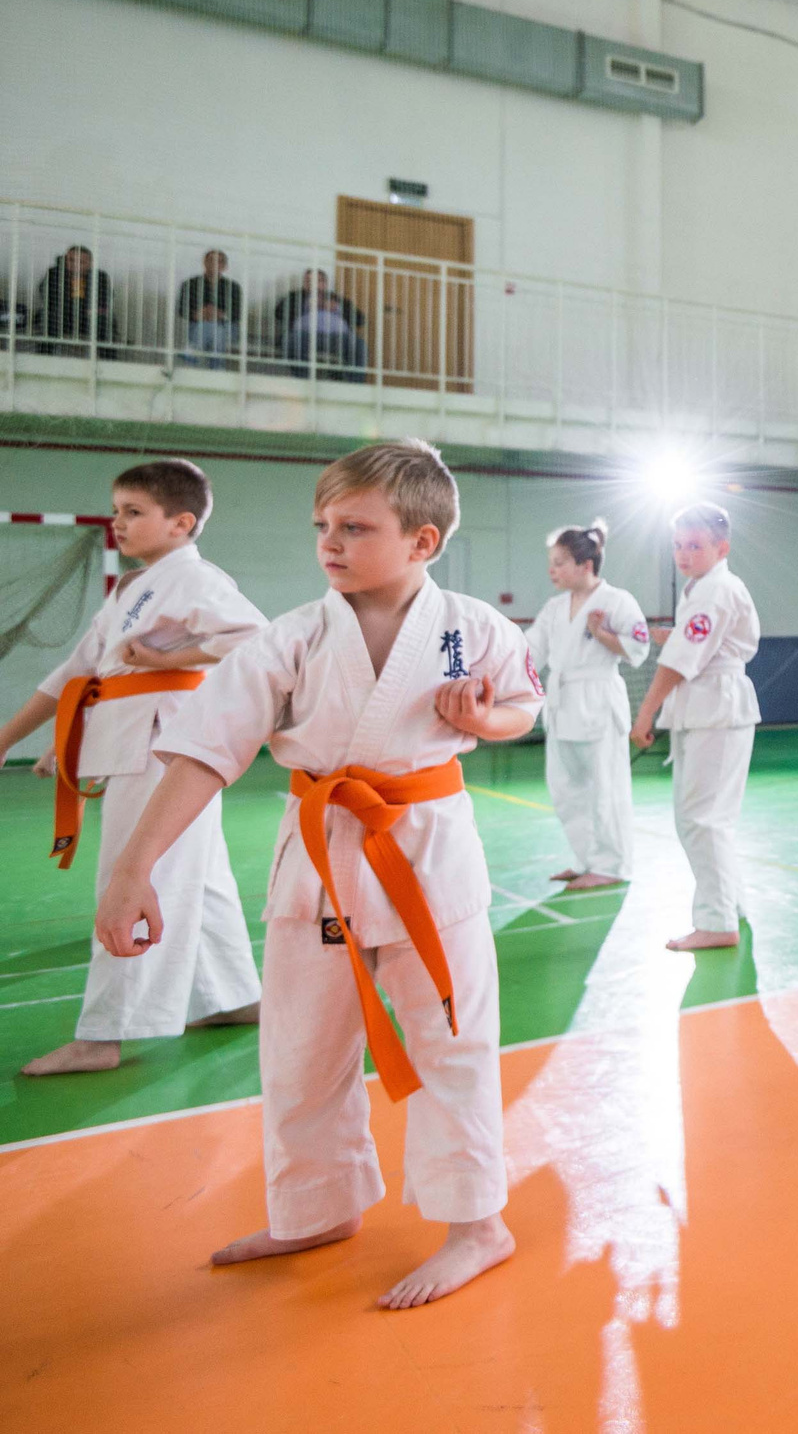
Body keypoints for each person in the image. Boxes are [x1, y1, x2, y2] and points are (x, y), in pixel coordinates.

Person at [98, 438, 540, 1309]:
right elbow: (201, 751)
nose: (329, 542)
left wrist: (485, 719)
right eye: (322, 525)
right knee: (299, 1048)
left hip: (428, 856)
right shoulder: (290, 637)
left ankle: (477, 1225)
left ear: (422, 542)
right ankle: (316, 1208)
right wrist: (132, 864)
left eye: (355, 526)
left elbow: (523, 705)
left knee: (453, 1042)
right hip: (322, 855)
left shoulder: (472, 628)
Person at [0, 459, 264, 1076]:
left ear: (182, 523)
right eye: (117, 510)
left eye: (133, 512)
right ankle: (232, 997)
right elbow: (75, 674)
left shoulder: (195, 580)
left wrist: (168, 655)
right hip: (134, 741)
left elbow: (256, 637)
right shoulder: (132, 589)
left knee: (131, 880)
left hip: (164, 749)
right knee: (200, 879)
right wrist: (24, 738)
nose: (118, 523)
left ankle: (104, 1034)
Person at [631, 502, 761, 951]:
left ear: (721, 547)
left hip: (715, 708)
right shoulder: (702, 588)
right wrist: (678, 632)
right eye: (678, 545)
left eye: (695, 545)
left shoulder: (715, 590)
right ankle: (729, 906)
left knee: (702, 821)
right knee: (708, 820)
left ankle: (716, 921)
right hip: (709, 708)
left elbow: (680, 664)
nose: (684, 554)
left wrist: (645, 712)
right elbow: (698, 643)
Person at [525, 520, 652, 892]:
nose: (553, 570)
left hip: (597, 700)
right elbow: (531, 651)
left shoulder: (617, 601)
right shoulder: (554, 607)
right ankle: (585, 860)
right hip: (562, 703)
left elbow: (639, 651)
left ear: (586, 565)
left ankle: (611, 864)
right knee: (565, 787)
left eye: (560, 562)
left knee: (605, 788)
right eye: (552, 562)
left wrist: (602, 635)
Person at [34, 245, 112, 355]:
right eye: (71, 260)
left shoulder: (101, 277)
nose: (75, 265)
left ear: (90, 264)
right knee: (49, 319)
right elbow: (46, 294)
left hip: (89, 318)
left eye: (81, 262)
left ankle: (107, 362)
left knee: (107, 323)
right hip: (61, 316)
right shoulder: (54, 273)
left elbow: (106, 298)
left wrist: (94, 310)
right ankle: (44, 359)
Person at [177, 250, 244, 367]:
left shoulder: (233, 287)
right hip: (198, 326)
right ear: (205, 262)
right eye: (211, 260)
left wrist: (221, 315)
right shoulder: (190, 284)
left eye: (220, 261)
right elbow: (182, 310)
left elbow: (238, 313)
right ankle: (217, 365)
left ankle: (192, 352)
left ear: (225, 266)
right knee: (211, 326)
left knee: (214, 326)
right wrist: (197, 314)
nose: (215, 264)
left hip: (228, 327)